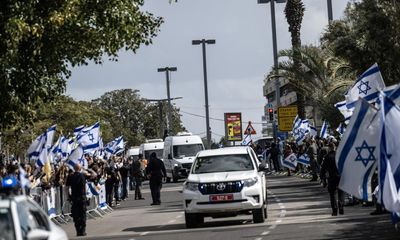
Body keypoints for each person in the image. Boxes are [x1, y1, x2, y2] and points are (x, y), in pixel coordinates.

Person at [320, 142, 344, 216]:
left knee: (332, 194)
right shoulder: (340, 155)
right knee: (341, 192)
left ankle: (334, 210)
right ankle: (341, 206)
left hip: (331, 177)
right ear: (335, 147)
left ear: (329, 148)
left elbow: (323, 168)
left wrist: (322, 177)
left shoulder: (327, 157)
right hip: (340, 176)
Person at [66, 163, 87, 236]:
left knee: (76, 215)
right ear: (80, 168)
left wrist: (68, 196)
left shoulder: (70, 176)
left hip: (74, 198)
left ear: (74, 168)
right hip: (82, 197)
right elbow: (85, 186)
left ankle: (78, 231)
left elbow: (67, 188)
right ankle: (83, 230)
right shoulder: (82, 176)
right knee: (82, 214)